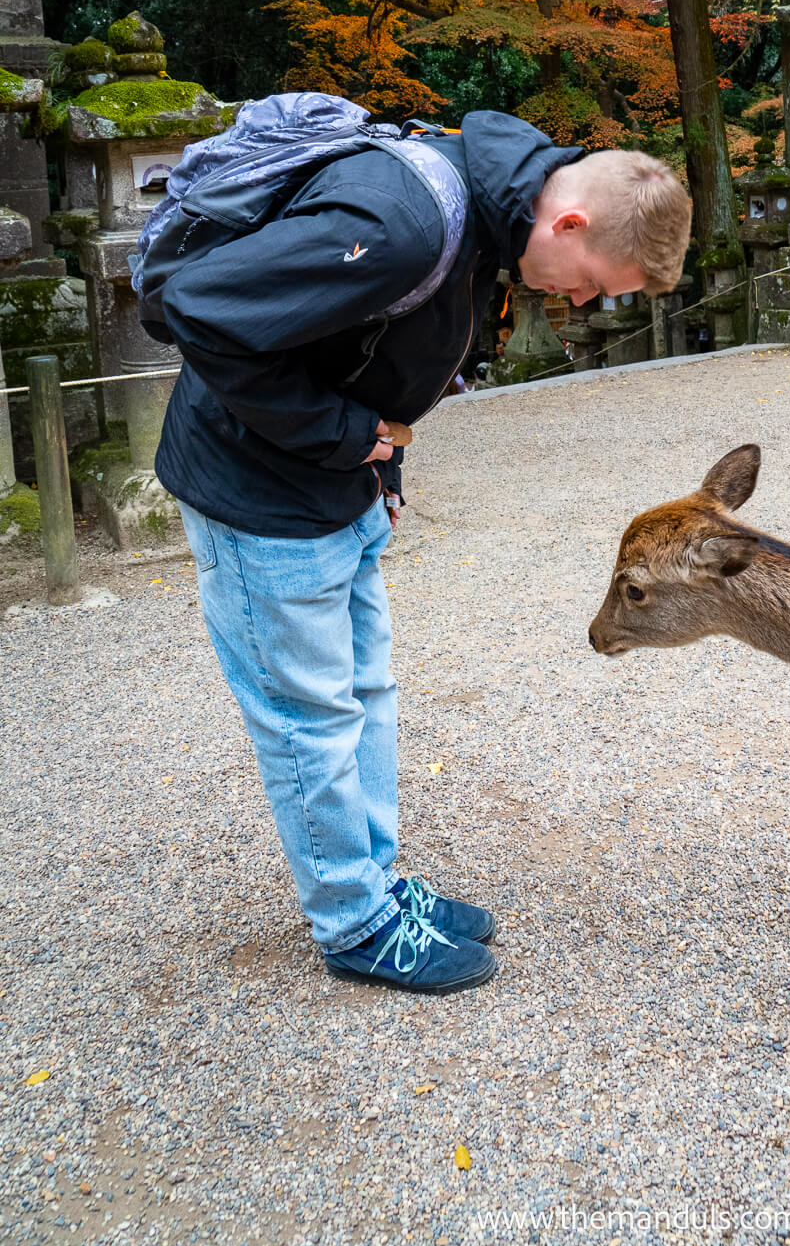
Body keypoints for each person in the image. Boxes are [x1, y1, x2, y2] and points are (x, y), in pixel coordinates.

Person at [155, 110, 692, 995]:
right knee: (311, 717)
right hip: (258, 490)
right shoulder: (402, 225)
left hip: (339, 484)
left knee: (366, 692)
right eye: (596, 281)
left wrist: (382, 467)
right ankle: (354, 923)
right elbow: (200, 310)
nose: (585, 301)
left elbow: (386, 345)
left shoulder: (491, 214)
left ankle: (377, 884)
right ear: (569, 225)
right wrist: (344, 435)